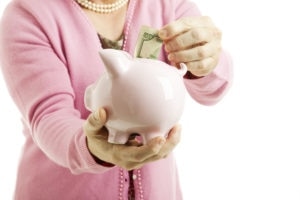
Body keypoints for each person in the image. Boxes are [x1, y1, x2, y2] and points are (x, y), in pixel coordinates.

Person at [0, 0, 232, 199]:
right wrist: (93, 148)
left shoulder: (167, 5)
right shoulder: (29, 14)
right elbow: (49, 117)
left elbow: (214, 90)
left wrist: (205, 61)